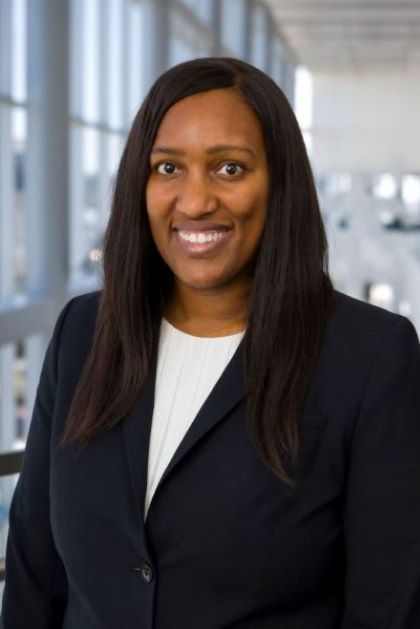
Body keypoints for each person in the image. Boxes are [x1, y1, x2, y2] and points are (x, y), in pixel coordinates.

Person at [1, 57, 420, 629]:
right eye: (168, 167)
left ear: (279, 183)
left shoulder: (369, 357)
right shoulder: (83, 332)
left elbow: (386, 609)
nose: (195, 201)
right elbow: (33, 572)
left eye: (229, 168)